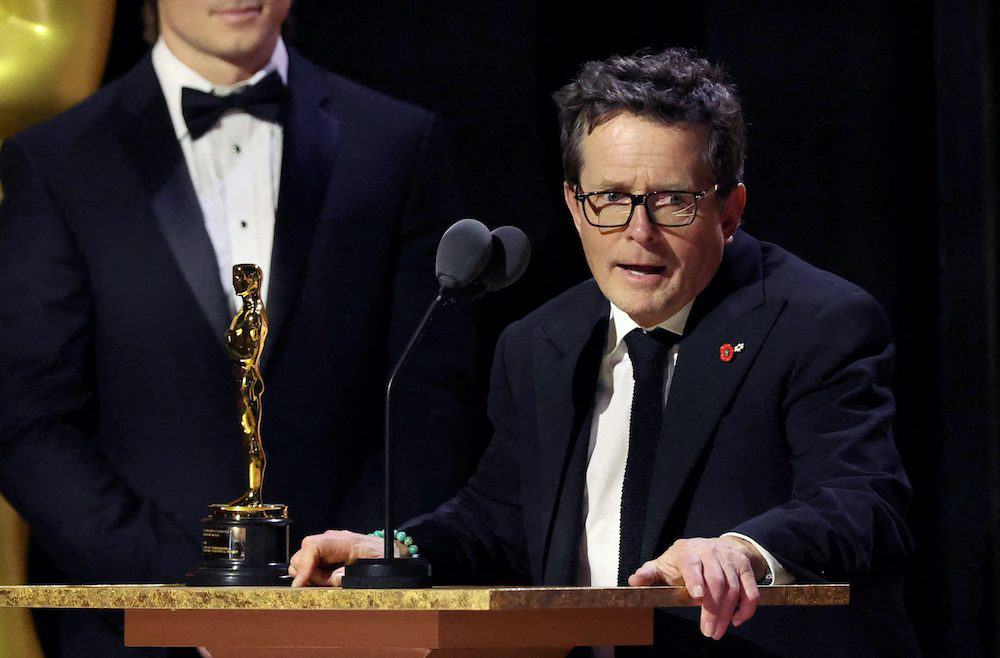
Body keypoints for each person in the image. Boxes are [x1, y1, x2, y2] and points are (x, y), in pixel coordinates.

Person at [288, 48, 918, 657]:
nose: (638, 233)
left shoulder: (817, 323)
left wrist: (742, 550)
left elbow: (865, 502)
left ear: (729, 211)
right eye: (611, 198)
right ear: (573, 204)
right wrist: (394, 549)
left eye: (673, 200)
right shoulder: (539, 343)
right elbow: (497, 521)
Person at [0, 1, 478, 656]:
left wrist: (342, 574)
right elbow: (29, 421)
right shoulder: (57, 160)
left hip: (355, 628)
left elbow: (432, 397)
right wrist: (192, 593)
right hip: (136, 629)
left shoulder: (395, 143)